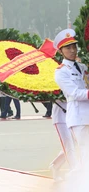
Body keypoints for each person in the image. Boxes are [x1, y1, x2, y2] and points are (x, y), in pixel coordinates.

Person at [54, 28, 89, 172]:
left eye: (74, 46)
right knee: (84, 152)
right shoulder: (61, 72)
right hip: (78, 117)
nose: (73, 50)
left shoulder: (82, 67)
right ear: (61, 51)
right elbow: (74, 93)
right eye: (68, 48)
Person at [49, 101, 77, 181]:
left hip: (73, 117)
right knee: (68, 145)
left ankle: (55, 165)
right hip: (60, 118)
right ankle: (74, 170)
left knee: (72, 145)